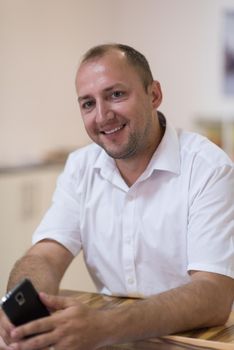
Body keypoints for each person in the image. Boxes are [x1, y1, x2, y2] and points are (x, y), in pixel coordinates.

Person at [0, 43, 234, 350]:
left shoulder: (209, 168)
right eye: (87, 103)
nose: (102, 116)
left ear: (154, 95)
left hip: (192, 341)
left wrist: (106, 326)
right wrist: (24, 306)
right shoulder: (80, 167)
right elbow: (45, 255)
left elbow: (213, 296)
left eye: (116, 94)